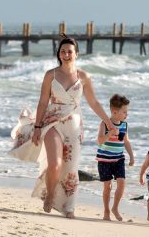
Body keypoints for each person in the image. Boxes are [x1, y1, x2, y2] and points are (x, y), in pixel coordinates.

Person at [10, 35, 118, 219]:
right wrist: (37, 127)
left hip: (74, 125)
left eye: (70, 51)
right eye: (63, 51)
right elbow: (43, 101)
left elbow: (93, 102)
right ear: (58, 54)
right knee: (55, 163)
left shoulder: (83, 77)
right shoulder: (50, 75)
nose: (66, 54)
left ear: (76, 54)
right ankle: (50, 194)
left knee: (70, 167)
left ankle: (69, 207)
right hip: (52, 121)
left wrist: (109, 123)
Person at [96, 94, 134, 221]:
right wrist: (110, 134)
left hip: (119, 159)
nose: (126, 114)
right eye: (124, 112)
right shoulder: (105, 124)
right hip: (104, 159)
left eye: (126, 112)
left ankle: (115, 208)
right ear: (114, 111)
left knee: (121, 184)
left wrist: (131, 156)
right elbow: (100, 141)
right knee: (107, 186)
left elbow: (126, 141)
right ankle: (106, 210)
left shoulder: (124, 125)